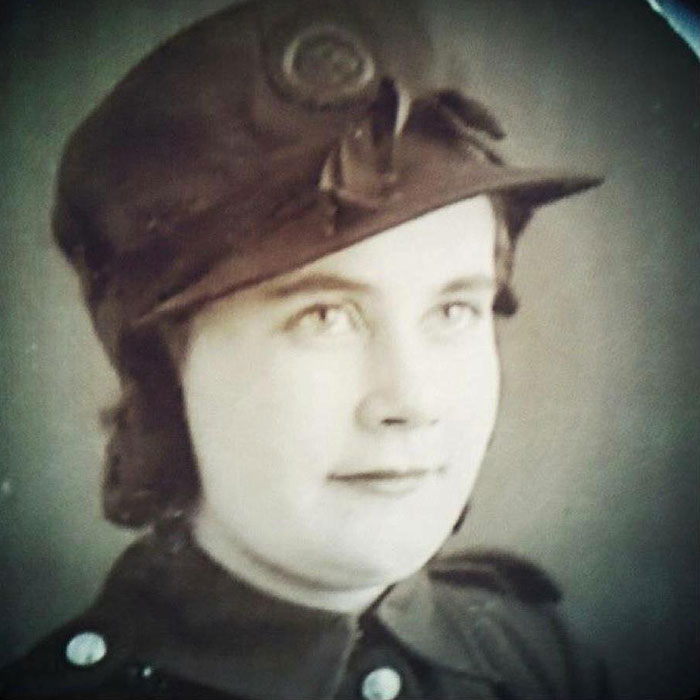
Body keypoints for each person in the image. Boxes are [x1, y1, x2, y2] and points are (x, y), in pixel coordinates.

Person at [0, 1, 606, 698]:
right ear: (169, 368)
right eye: (325, 316)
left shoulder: (539, 662)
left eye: (453, 308)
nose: (410, 402)